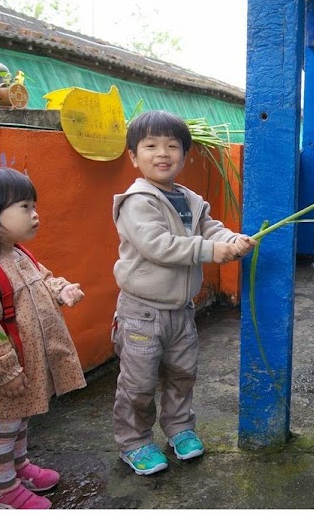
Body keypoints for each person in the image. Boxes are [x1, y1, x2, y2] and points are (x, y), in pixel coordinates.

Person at [112, 110, 256, 475]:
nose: (162, 153)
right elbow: (157, 244)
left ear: (185, 154)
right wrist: (210, 251)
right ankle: (134, 442)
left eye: (172, 146)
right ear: (133, 156)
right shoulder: (136, 200)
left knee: (182, 373)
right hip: (142, 312)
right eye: (151, 146)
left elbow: (211, 229)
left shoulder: (189, 198)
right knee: (139, 382)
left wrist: (232, 241)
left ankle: (179, 428)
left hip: (181, 311)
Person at [0, 167, 87, 509]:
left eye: (34, 206)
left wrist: (62, 290)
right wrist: (7, 371)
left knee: (20, 420)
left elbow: (44, 279)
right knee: (3, 430)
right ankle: (1, 493)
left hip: (26, 368)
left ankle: (18, 468)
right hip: (8, 374)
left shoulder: (18, 254)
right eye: (25, 207)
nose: (35, 215)